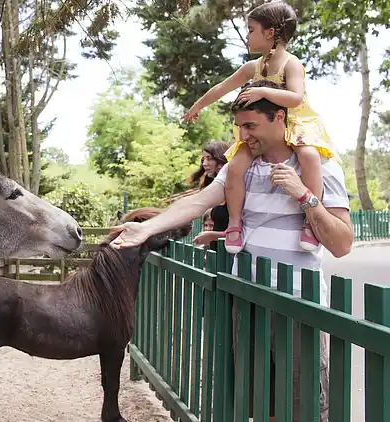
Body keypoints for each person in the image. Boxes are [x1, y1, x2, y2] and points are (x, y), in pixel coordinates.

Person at [111, 79, 353, 421]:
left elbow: (342, 243)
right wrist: (147, 227)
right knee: (258, 408)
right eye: (239, 127)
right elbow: (198, 202)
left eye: (251, 125)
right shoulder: (241, 166)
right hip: (247, 304)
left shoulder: (321, 166)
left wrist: (304, 195)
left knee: (304, 411)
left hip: (299, 310)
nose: (243, 135)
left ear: (280, 118)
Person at [182, 0, 339, 255]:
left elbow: (297, 98)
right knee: (235, 166)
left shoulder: (291, 64)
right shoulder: (252, 67)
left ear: (270, 33)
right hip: (262, 130)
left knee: (309, 155)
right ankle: (235, 223)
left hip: (293, 124)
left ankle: (310, 221)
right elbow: (222, 87)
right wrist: (197, 107)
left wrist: (262, 90)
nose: (247, 36)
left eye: (251, 29)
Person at [188, 140, 230, 251]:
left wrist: (212, 236)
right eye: (203, 159)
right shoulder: (213, 187)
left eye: (209, 158)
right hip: (217, 256)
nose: (204, 163)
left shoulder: (233, 186)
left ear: (220, 159)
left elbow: (240, 232)